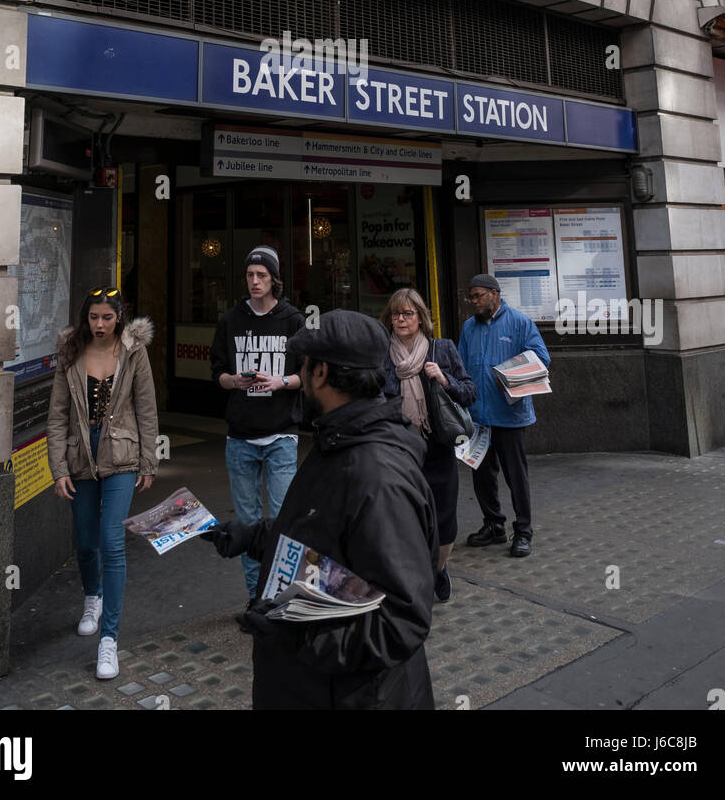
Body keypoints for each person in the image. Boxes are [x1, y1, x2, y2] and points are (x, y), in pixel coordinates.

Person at [205, 310, 439, 711]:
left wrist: (298, 637)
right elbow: (325, 534)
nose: (298, 375)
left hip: (355, 697)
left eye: (304, 365)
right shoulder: (339, 440)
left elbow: (401, 620)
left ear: (320, 373)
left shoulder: (375, 474)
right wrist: (257, 535)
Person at [46, 286, 158, 680]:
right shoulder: (70, 352)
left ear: (119, 317)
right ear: (85, 318)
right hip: (80, 453)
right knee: (86, 540)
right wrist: (57, 468)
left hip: (121, 455)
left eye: (107, 317)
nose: (99, 325)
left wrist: (149, 461)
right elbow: (57, 414)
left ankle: (109, 639)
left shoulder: (133, 351)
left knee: (112, 541)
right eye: (93, 317)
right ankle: (91, 597)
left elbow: (146, 407)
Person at [210, 246, 305, 611]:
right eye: (250, 275)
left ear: (273, 279)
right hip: (241, 436)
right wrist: (231, 380)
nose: (254, 281)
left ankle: (282, 595)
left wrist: (281, 381)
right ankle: (256, 597)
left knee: (282, 520)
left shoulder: (293, 320)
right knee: (248, 524)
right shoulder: (230, 320)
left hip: (281, 434)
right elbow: (215, 372)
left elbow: (307, 376)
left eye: (261, 275)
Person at [381, 287, 476, 602]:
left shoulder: (442, 349)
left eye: (408, 313)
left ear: (421, 318)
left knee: (444, 518)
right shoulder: (382, 354)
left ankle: (439, 567)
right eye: (396, 313)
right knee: (403, 517)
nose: (401, 319)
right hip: (399, 449)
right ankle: (412, 577)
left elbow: (469, 391)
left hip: (437, 447)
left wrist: (444, 380)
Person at [458, 274, 551, 558]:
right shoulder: (468, 327)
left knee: (516, 477)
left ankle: (523, 531)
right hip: (479, 417)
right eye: (471, 297)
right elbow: (461, 366)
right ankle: (493, 525)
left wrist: (509, 373)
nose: (474, 302)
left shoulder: (520, 323)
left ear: (495, 294)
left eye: (478, 296)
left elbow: (541, 358)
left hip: (510, 416)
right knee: (482, 476)